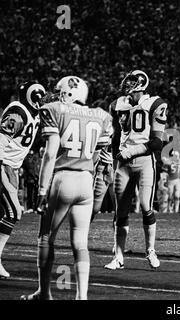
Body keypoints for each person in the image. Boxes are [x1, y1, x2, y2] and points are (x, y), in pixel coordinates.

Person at [21, 76, 112, 300]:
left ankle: (44, 292)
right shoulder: (101, 116)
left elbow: (51, 153)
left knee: (45, 238)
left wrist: (42, 190)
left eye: (59, 91)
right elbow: (99, 155)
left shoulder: (55, 110)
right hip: (85, 181)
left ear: (67, 93)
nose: (56, 94)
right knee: (80, 243)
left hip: (63, 178)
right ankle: (81, 297)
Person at [104, 70, 167, 270]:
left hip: (144, 161)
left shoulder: (155, 104)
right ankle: (118, 256)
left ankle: (150, 250)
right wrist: (112, 161)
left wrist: (130, 152)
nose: (126, 83)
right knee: (120, 211)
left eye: (131, 81)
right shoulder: (117, 104)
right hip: (122, 164)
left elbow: (157, 141)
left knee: (145, 206)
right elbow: (114, 138)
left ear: (140, 84)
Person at [0, 81, 46, 279]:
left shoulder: (32, 114)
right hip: (3, 165)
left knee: (7, 213)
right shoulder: (18, 112)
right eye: (39, 96)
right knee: (13, 212)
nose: (42, 101)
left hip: (12, 167)